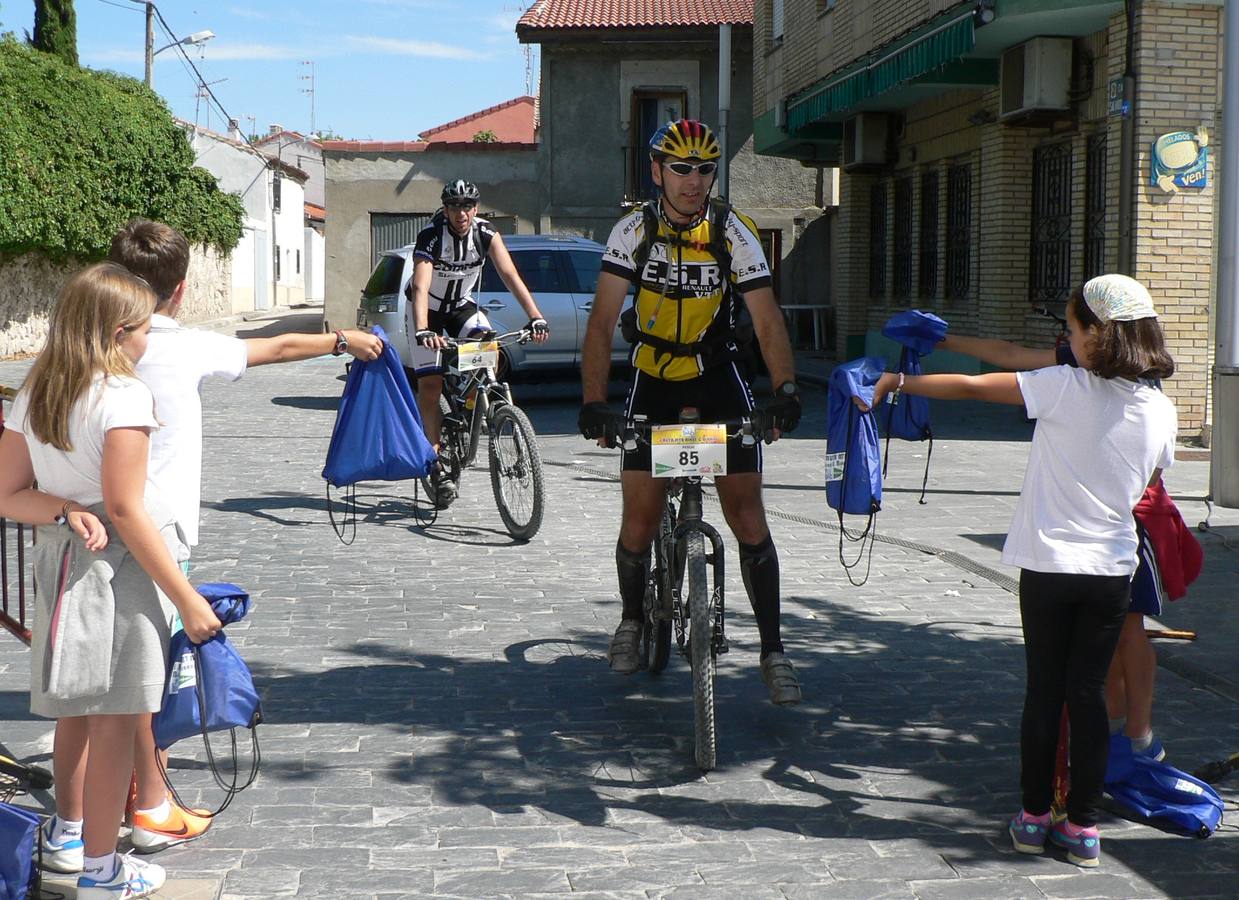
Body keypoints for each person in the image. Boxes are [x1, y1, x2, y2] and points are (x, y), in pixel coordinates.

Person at [865, 275, 1176, 867]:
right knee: (1086, 697)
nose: (1067, 338)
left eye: (1072, 328)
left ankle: (1034, 817)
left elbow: (978, 388)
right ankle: (1084, 829)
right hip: (1111, 571)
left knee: (1044, 692)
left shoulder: (1062, 387)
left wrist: (898, 381)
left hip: (1049, 566)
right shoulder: (1161, 410)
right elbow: (1150, 485)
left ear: (1097, 335)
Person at [104, 217, 382, 854]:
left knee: (111, 676)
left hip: (84, 527)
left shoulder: (84, 346)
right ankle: (150, 804)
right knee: (150, 675)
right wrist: (344, 340)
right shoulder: (182, 343)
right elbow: (278, 349)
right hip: (156, 531)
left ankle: (100, 808)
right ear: (178, 291)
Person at [0, 262, 224, 899]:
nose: (148, 340)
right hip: (121, 570)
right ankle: (103, 871)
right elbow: (126, 508)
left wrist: (65, 510)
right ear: (122, 329)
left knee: (76, 711)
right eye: (145, 328)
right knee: (118, 723)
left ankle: (68, 838)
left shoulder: (38, 388)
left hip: (64, 560)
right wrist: (186, 598)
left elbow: (5, 492)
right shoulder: (124, 396)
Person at [577, 119, 804, 705]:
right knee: (640, 520)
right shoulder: (633, 231)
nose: (694, 181)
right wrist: (594, 402)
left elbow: (766, 316)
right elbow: (602, 323)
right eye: (681, 168)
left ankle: (773, 650)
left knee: (749, 521)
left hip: (719, 378)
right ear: (656, 172)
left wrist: (784, 388)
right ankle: (632, 619)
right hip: (652, 378)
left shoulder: (733, 230)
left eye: (705, 169)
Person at [937, 328, 1169, 761]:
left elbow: (1148, 477)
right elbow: (1009, 350)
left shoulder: (1141, 379)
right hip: (1071, 544)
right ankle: (1085, 750)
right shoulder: (1075, 360)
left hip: (1120, 531)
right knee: (1076, 679)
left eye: (1077, 326)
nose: (1071, 338)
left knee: (1129, 631)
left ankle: (1139, 735)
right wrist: (947, 342)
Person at [407, 179, 549, 507]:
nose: (461, 213)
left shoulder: (485, 234)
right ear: (445, 209)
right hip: (426, 311)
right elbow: (421, 287)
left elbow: (511, 276)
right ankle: (436, 467)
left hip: (461, 307)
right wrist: (423, 330)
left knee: (491, 349)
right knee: (430, 385)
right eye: (454, 206)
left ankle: (470, 405)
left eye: (467, 206)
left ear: (476, 208)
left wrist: (535, 316)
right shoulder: (431, 237)